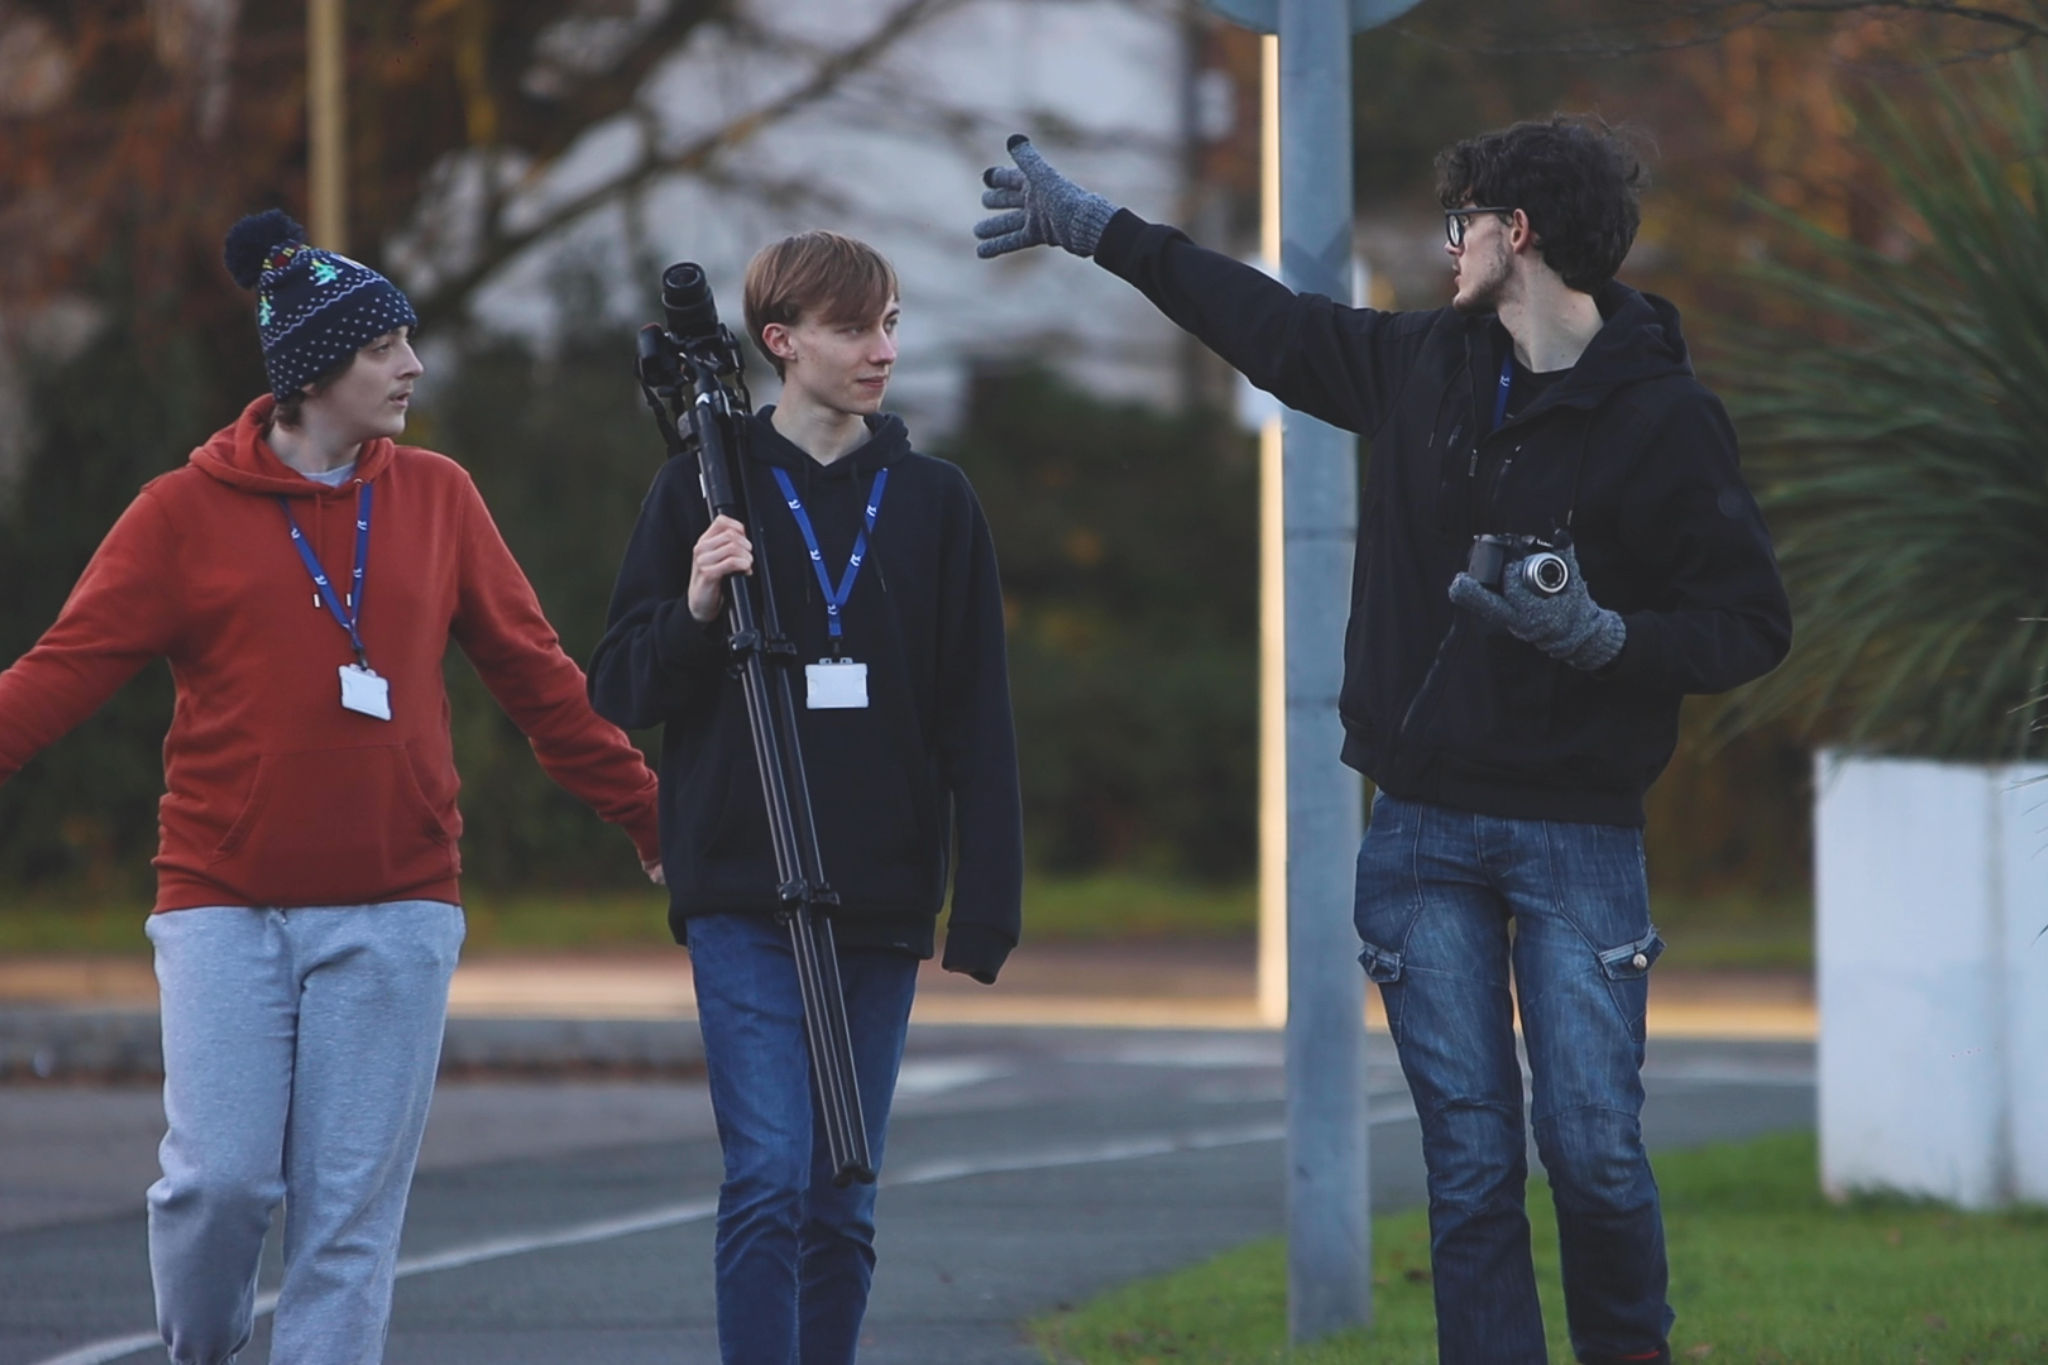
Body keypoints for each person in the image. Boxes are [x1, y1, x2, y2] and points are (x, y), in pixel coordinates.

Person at [975, 120, 1791, 1364]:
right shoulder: (1423, 367)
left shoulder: (1665, 419)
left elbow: (1748, 624)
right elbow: (1267, 325)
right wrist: (1098, 232)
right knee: (1467, 1164)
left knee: (1593, 1151)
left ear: (1512, 234)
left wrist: (1601, 637)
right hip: (1420, 832)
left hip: (1577, 836)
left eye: (1459, 220)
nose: (1445, 243)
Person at [0, 209, 664, 1365]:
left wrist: (651, 813)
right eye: (382, 349)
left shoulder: (441, 497)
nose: (411, 365)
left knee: (348, 1224)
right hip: (222, 899)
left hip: (399, 900)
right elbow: (58, 675)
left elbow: (537, 676)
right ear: (313, 373)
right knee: (217, 1186)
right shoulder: (178, 515)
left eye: (407, 341)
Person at [588, 230, 1022, 1364]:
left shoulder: (935, 501)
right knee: (769, 1174)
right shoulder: (698, 486)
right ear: (781, 343)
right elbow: (620, 683)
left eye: (888, 324)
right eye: (851, 328)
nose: (880, 349)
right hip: (738, 880)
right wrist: (692, 604)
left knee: (842, 1196)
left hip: (876, 894)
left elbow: (977, 713)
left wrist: (982, 902)